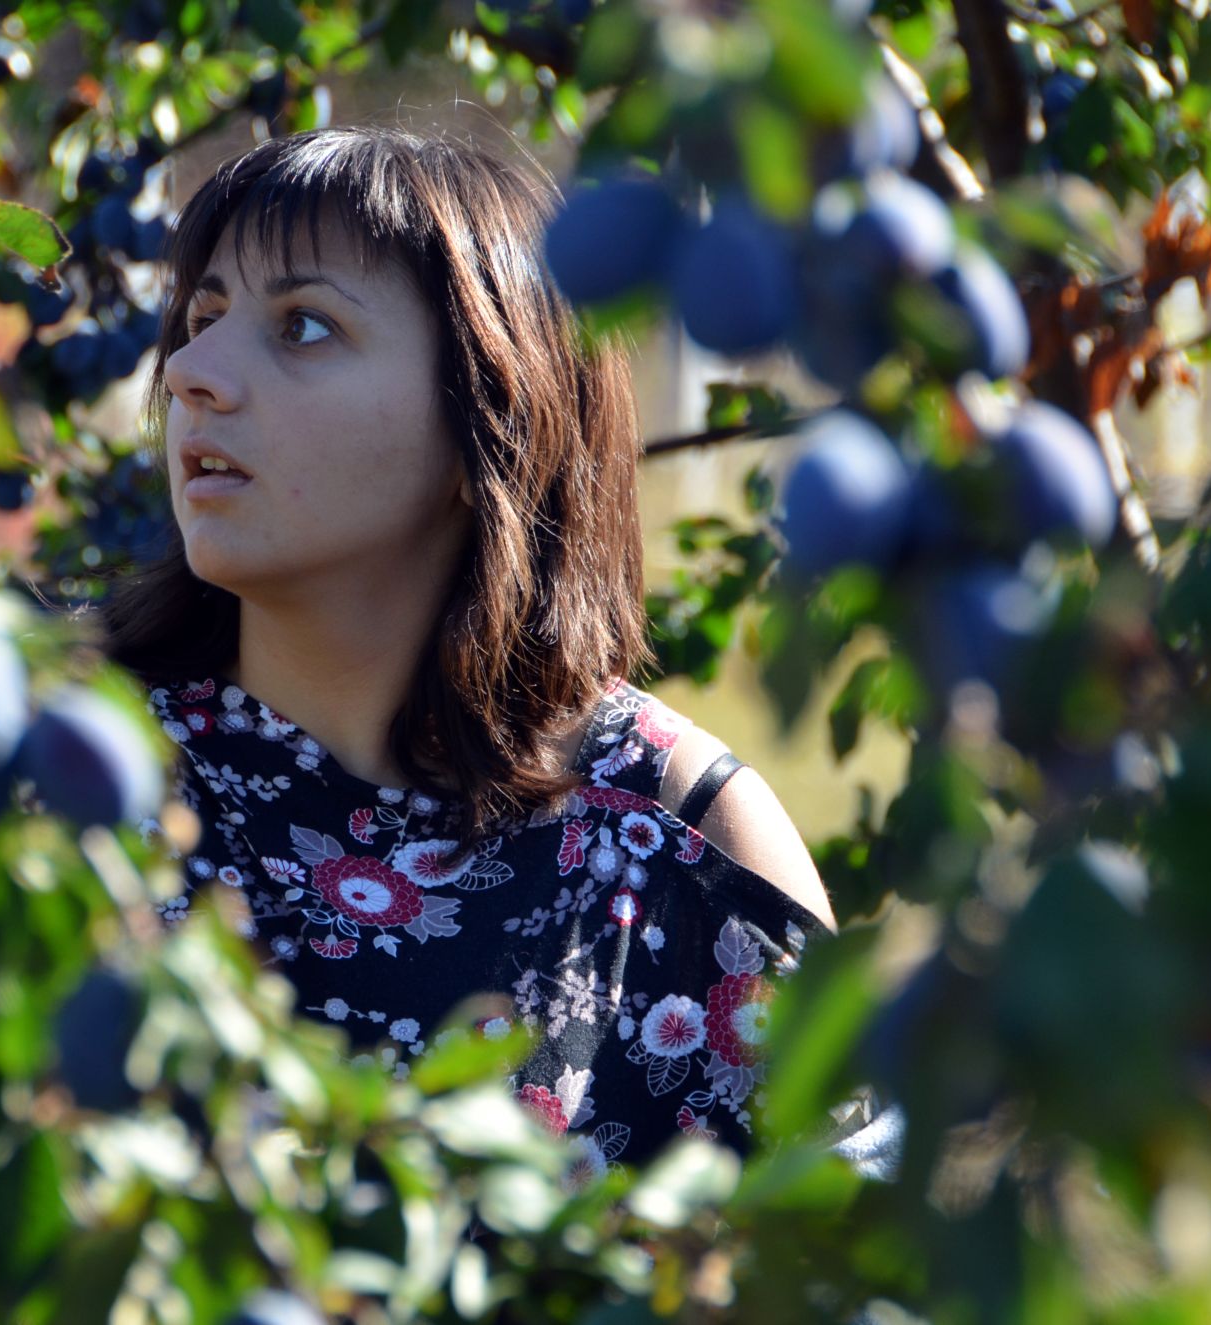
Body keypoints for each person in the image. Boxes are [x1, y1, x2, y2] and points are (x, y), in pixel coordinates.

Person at [104, 124, 873, 1173]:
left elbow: (846, 1239)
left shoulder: (684, 839)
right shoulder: (71, 761)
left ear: (488, 419)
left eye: (303, 327)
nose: (192, 371)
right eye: (203, 319)